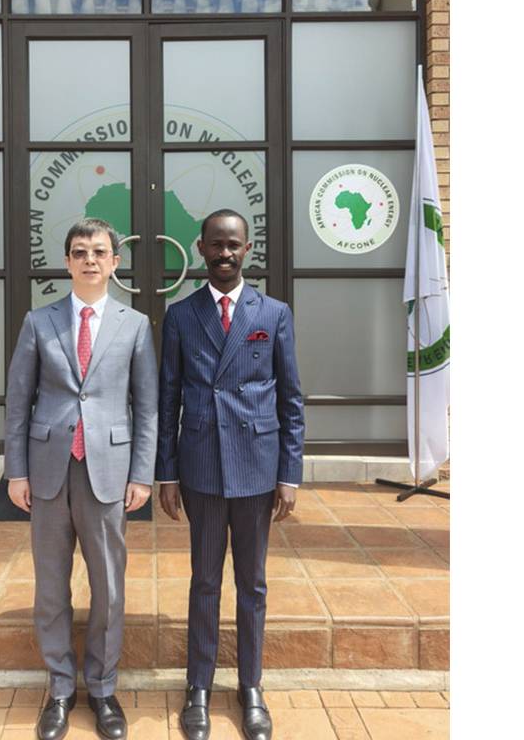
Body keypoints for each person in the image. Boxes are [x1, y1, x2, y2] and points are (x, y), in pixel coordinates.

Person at [4, 217, 158, 740]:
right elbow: (17, 403)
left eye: (99, 251)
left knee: (108, 587)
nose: (89, 259)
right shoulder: (37, 321)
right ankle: (62, 688)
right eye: (79, 252)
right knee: (51, 587)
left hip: (109, 472)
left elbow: (148, 407)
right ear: (67, 262)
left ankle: (104, 688)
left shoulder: (135, 325)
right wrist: (16, 471)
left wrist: (143, 473)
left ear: (115, 262)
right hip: (48, 471)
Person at [155, 209, 305, 740]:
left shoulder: (274, 312)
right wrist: (165, 473)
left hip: (257, 467)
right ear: (200, 249)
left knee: (253, 583)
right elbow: (168, 396)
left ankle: (250, 686)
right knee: (204, 580)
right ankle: (198, 685)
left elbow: (290, 397)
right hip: (199, 467)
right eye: (215, 244)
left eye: (233, 245)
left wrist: (290, 473)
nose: (224, 253)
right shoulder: (180, 315)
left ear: (247, 250)